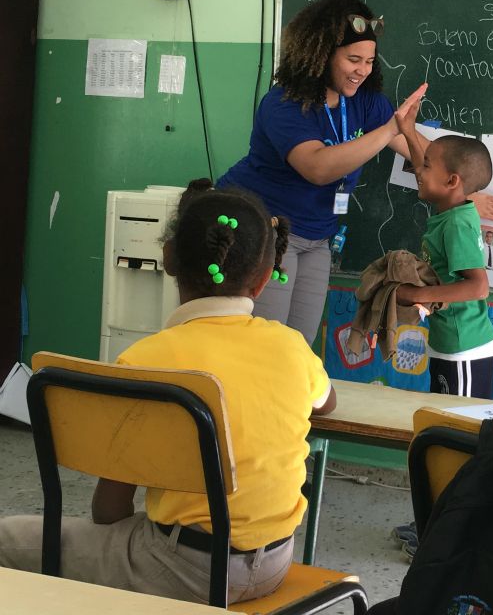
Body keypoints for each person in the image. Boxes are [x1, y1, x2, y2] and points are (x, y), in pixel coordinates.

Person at [0, 180, 337, 605]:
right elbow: (327, 404)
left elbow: (108, 511)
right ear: (265, 278)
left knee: (8, 541)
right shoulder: (291, 346)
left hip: (184, 569)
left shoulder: (146, 359)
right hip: (273, 566)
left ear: (169, 258)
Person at [218, 0, 493, 345]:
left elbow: (418, 150)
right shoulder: (284, 104)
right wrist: (390, 127)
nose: (363, 70)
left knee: (297, 345)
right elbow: (318, 168)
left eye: (370, 61)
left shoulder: (366, 102)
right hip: (265, 230)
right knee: (266, 344)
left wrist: (463, 195)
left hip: (317, 236)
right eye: (353, 59)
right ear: (322, 55)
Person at [393, 115, 493, 399]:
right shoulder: (450, 211)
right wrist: (407, 132)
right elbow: (425, 170)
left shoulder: (457, 224)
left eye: (426, 166)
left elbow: (479, 286)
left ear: (452, 181)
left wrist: (420, 294)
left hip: (464, 348)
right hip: (451, 343)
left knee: (459, 431)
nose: (418, 172)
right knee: (445, 425)